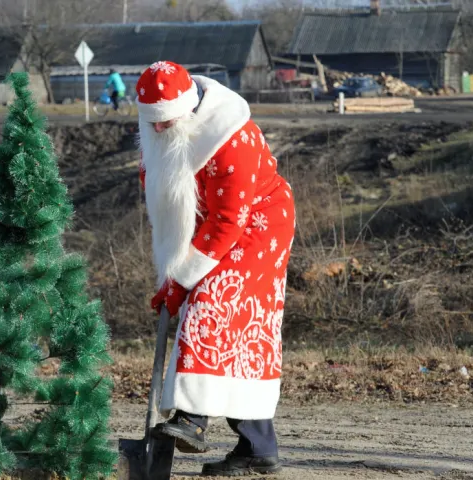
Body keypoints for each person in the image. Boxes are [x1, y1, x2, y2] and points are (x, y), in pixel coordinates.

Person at [135, 60, 294, 477]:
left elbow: (228, 221)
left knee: (211, 303)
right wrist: (173, 277)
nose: (156, 130)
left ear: (186, 110)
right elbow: (171, 211)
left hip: (259, 222)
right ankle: (258, 447)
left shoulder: (232, 137)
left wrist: (185, 281)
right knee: (239, 332)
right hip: (215, 223)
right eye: (151, 122)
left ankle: (192, 419)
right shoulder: (162, 130)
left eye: (164, 122)